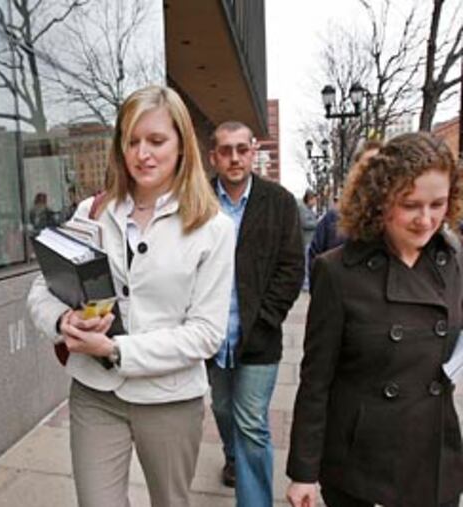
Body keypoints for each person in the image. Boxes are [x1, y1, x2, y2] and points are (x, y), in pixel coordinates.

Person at [27, 85, 236, 507]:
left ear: (182, 146)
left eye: (156, 141)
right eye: (132, 141)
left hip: (169, 400)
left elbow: (205, 334)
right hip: (94, 392)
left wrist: (118, 348)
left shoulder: (212, 227)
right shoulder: (93, 211)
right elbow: (41, 288)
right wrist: (62, 321)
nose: (143, 153)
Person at [286, 132, 463, 507]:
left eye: (438, 204)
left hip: (434, 454)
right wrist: (304, 473)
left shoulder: (454, 263)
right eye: (411, 204)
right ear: (381, 200)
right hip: (362, 465)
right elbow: (316, 380)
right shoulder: (337, 272)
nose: (426, 219)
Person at [207, 121, 304, 506]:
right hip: (211, 337)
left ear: (253, 152)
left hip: (259, 338)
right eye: (225, 150)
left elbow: (292, 267)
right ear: (214, 156)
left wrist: (265, 319)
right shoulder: (197, 201)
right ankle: (232, 458)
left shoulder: (278, 202)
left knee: (251, 425)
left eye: (241, 149)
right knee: (221, 408)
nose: (234, 158)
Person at [308, 139, 382, 278]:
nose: (373, 173)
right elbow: (315, 262)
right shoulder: (333, 219)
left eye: (379, 165)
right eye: (367, 166)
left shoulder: (397, 219)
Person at [298, 190, 318, 290]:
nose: (315, 202)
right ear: (309, 199)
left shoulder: (309, 210)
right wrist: (317, 223)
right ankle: (305, 283)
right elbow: (305, 223)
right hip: (306, 240)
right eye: (314, 200)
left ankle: (307, 282)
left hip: (311, 240)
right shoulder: (302, 209)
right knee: (305, 262)